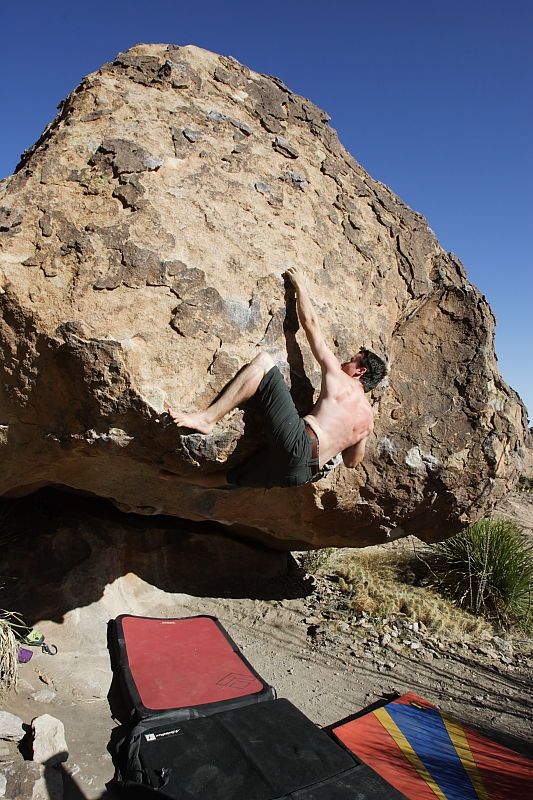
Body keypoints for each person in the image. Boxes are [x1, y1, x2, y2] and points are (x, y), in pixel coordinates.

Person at [162, 267, 386, 488]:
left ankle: (207, 419)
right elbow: (352, 462)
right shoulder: (367, 420)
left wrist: (301, 287)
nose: (344, 362)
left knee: (264, 363)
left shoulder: (340, 377)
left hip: (299, 445)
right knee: (230, 477)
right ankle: (176, 480)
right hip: (301, 475)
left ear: (360, 371)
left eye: (351, 360)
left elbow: (311, 327)